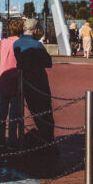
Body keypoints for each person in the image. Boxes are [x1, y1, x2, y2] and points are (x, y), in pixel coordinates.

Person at [14, 18, 55, 146]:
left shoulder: (16, 44)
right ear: (35, 30)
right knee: (45, 114)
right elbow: (48, 63)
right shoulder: (37, 45)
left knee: (34, 112)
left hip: (25, 83)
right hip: (40, 83)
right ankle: (48, 139)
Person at [0, 18, 23, 148]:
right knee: (14, 113)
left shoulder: (3, 42)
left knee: (2, 112)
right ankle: (12, 139)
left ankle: (0, 140)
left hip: (3, 79)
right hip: (16, 80)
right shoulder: (20, 43)